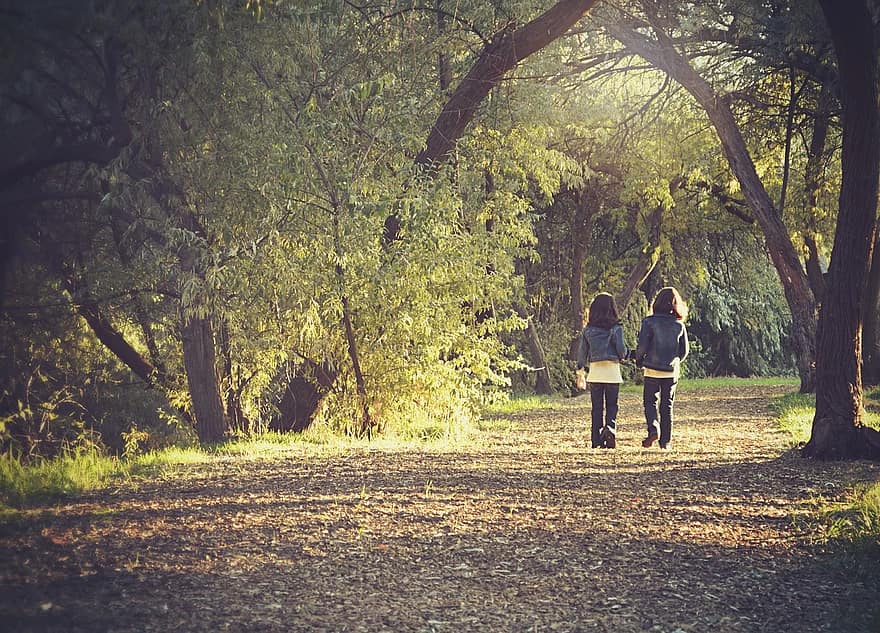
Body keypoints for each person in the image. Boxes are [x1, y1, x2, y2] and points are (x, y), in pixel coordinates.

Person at [633, 287, 689, 450]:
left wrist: (639, 360)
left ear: (656, 302)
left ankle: (653, 428)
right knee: (667, 405)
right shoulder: (679, 325)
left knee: (650, 402)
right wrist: (674, 361)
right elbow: (684, 351)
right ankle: (665, 442)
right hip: (671, 371)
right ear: (676, 304)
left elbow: (642, 346)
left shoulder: (648, 322)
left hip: (651, 369)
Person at [576, 293, 628, 448]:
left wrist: (580, 372)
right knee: (612, 405)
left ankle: (596, 439)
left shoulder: (588, 331)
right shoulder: (616, 328)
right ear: (612, 309)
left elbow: (582, 355)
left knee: (597, 408)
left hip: (595, 373)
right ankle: (610, 429)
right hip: (612, 372)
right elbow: (622, 351)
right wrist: (624, 356)